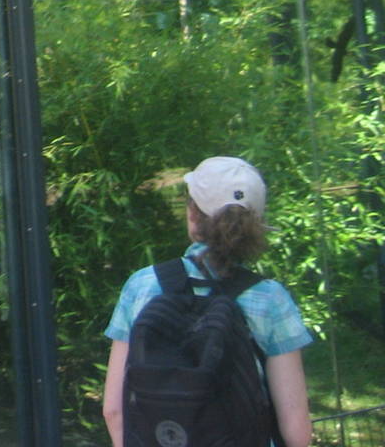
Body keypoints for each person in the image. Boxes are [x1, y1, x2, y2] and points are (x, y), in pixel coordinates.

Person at [102, 156, 312, 447]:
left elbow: (114, 410)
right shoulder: (271, 298)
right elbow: (295, 428)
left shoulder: (141, 286)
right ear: (256, 224)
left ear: (192, 213)